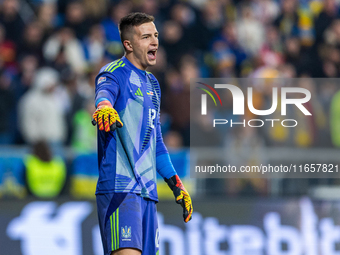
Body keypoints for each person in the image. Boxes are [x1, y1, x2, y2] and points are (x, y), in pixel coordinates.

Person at [91, 12, 193, 255]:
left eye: (156, 35)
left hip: (148, 193)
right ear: (128, 44)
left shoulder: (153, 85)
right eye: (146, 37)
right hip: (120, 188)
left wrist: (176, 183)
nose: (155, 41)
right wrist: (104, 107)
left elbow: (155, 143)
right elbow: (103, 93)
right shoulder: (114, 71)